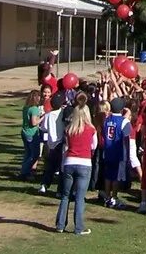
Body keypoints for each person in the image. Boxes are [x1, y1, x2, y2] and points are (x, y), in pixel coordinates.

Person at [55, 101, 96, 235]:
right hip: (84, 163)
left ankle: (60, 225)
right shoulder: (91, 129)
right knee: (79, 197)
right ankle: (78, 227)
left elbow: (66, 147)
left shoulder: (69, 129)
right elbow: (93, 146)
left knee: (65, 196)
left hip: (69, 162)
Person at [19, 91, 44, 180]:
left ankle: (24, 171)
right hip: (31, 134)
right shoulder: (34, 109)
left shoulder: (26, 107)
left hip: (24, 132)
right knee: (35, 154)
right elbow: (34, 123)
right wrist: (42, 118)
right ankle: (25, 172)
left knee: (28, 153)